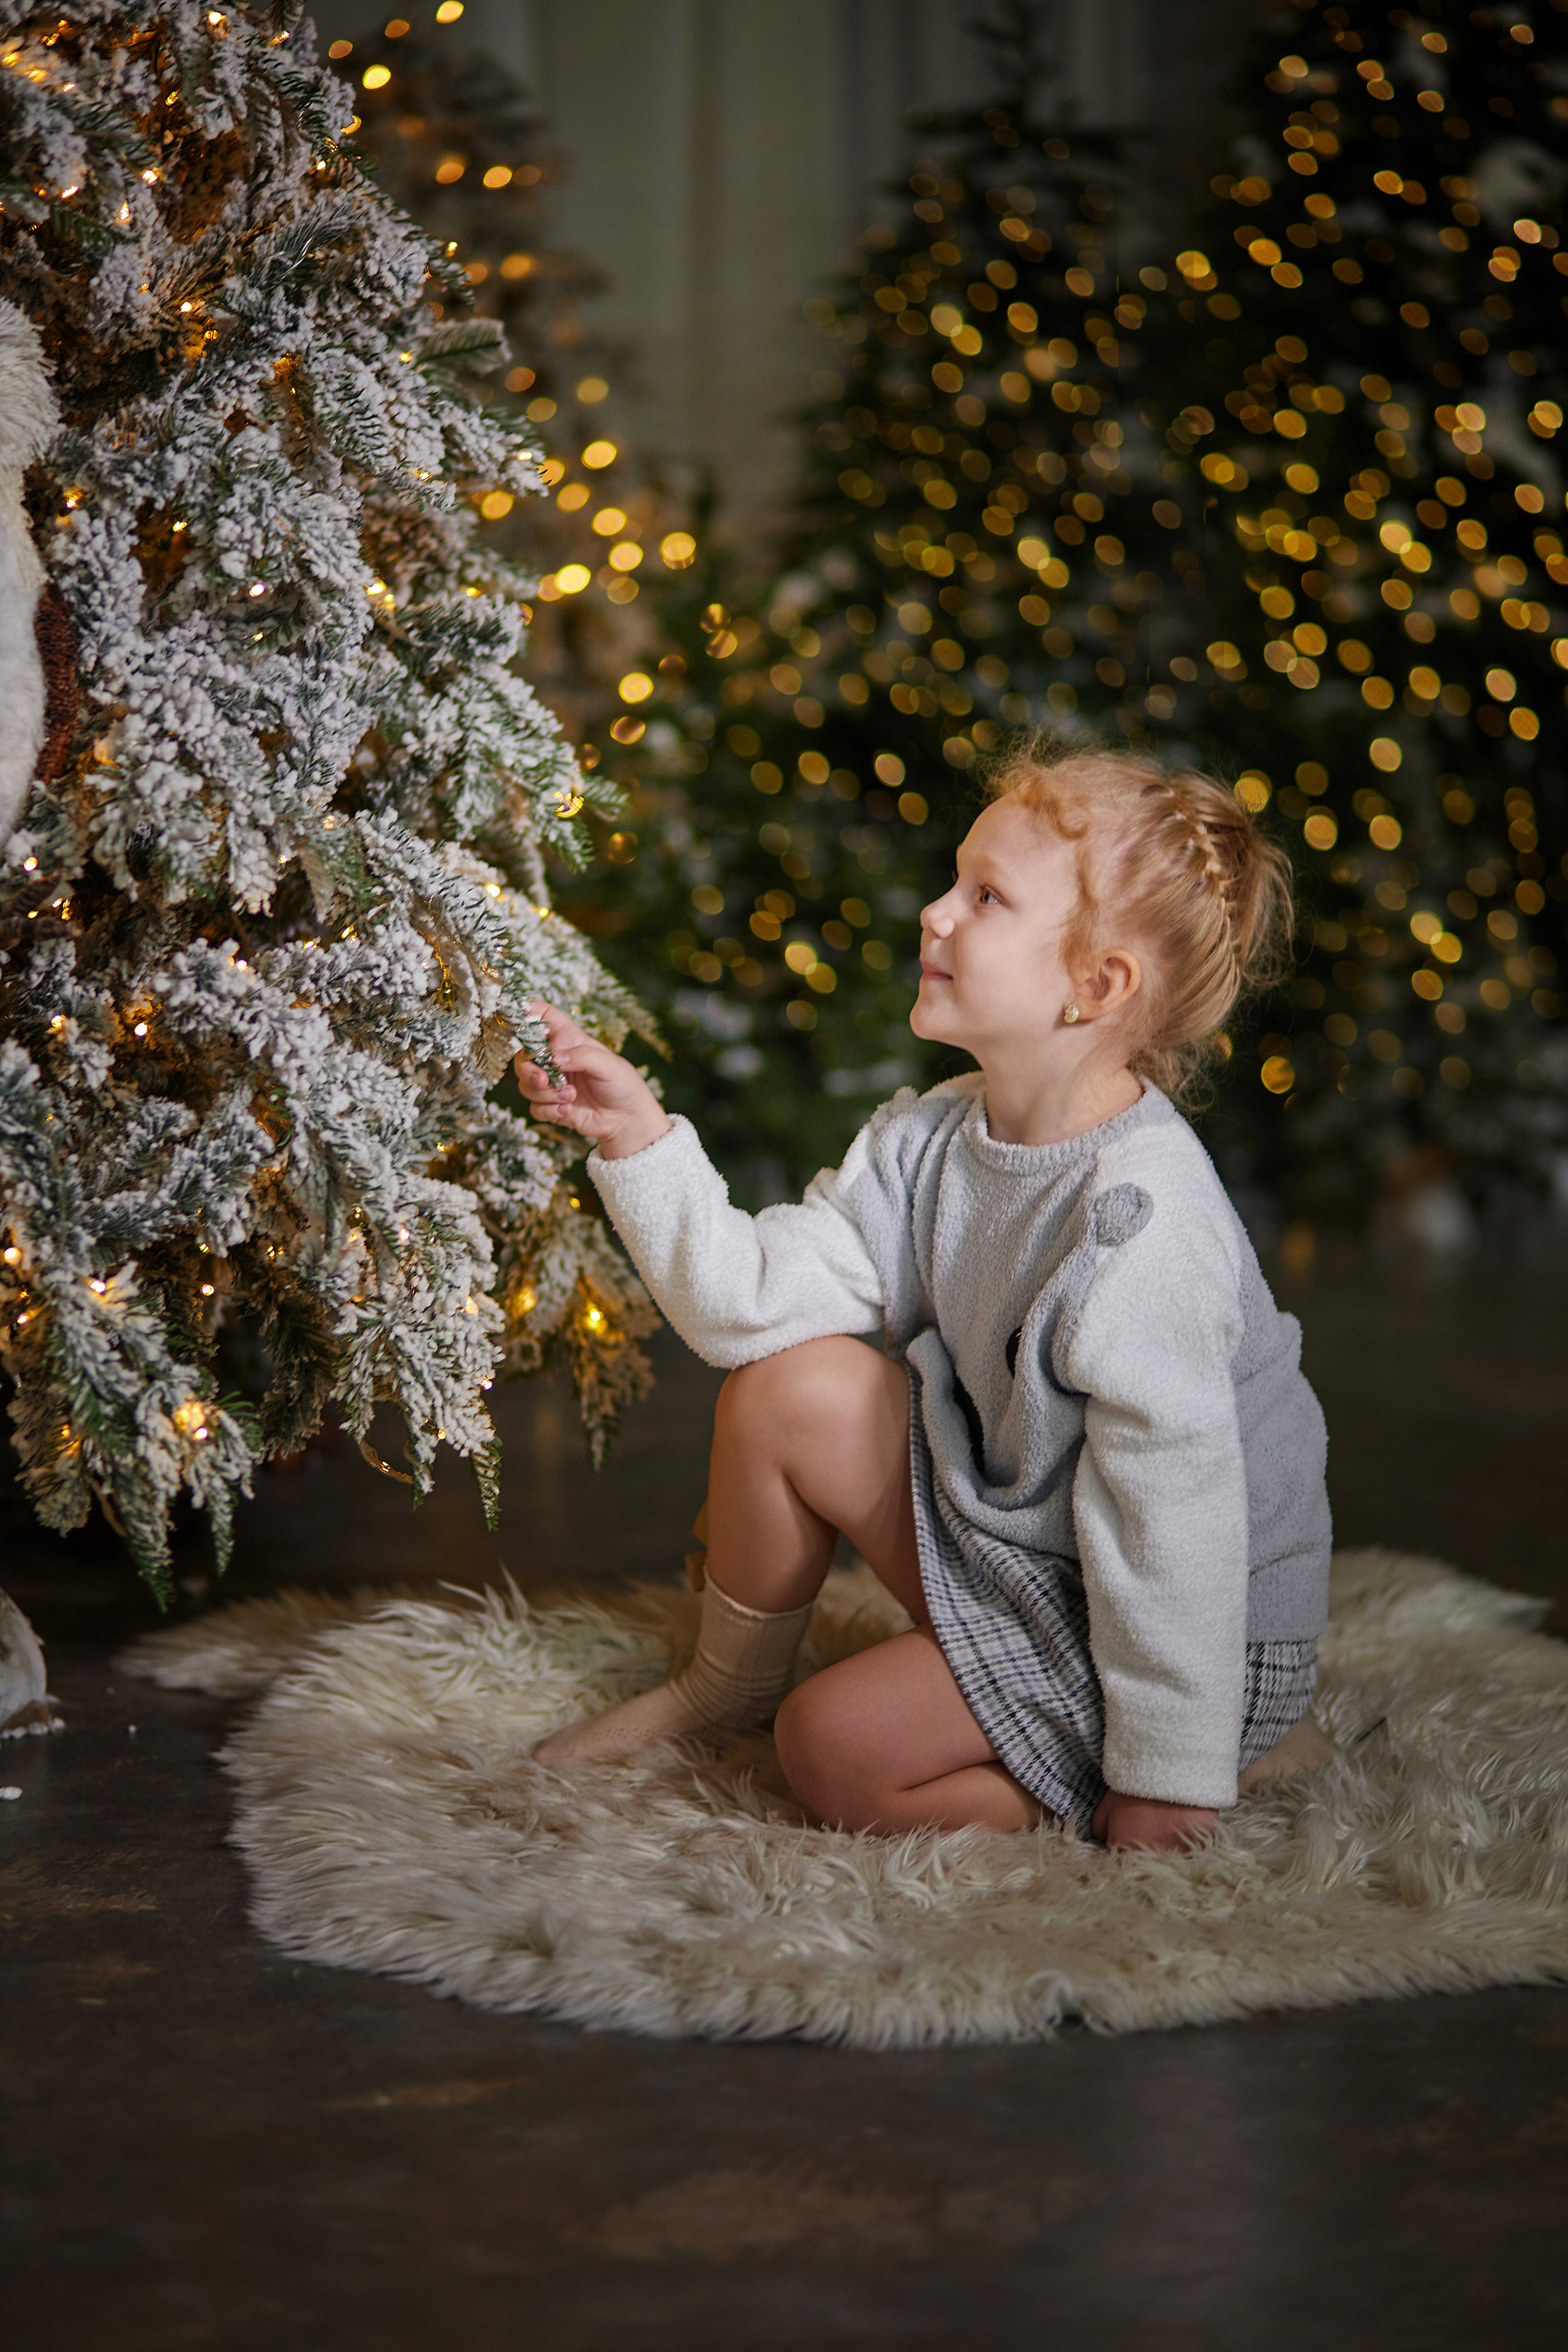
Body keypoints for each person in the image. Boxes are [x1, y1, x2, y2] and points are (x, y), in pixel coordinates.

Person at [516, 739, 1333, 1852]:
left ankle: (1148, 1770)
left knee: (835, 1747)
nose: (934, 914)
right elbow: (743, 1308)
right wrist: (639, 1139)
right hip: (1031, 1540)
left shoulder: (1145, 1225)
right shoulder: (934, 1138)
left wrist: (1169, 1774)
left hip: (1190, 1623)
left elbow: (1173, 1524)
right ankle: (724, 1688)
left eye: (985, 898)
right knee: (786, 1387)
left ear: (1096, 987)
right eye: (956, 879)